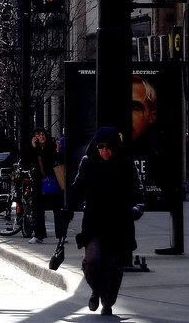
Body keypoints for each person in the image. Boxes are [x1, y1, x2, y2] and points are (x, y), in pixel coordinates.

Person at [66, 127, 145, 316]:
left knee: (114, 265)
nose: (104, 151)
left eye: (108, 147)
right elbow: (77, 188)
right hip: (94, 222)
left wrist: (137, 209)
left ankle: (108, 302)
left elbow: (138, 191)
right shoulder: (88, 163)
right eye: (100, 147)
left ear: (115, 147)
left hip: (119, 223)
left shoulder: (126, 165)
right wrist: (67, 209)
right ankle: (96, 290)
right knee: (92, 260)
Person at [21, 127, 63, 243]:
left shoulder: (53, 146)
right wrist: (34, 148)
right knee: (38, 209)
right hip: (38, 182)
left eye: (43, 134)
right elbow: (26, 162)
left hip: (53, 181)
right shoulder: (33, 149)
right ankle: (39, 235)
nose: (41, 137)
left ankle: (60, 235)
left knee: (57, 209)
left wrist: (58, 151)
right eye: (38, 135)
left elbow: (59, 161)